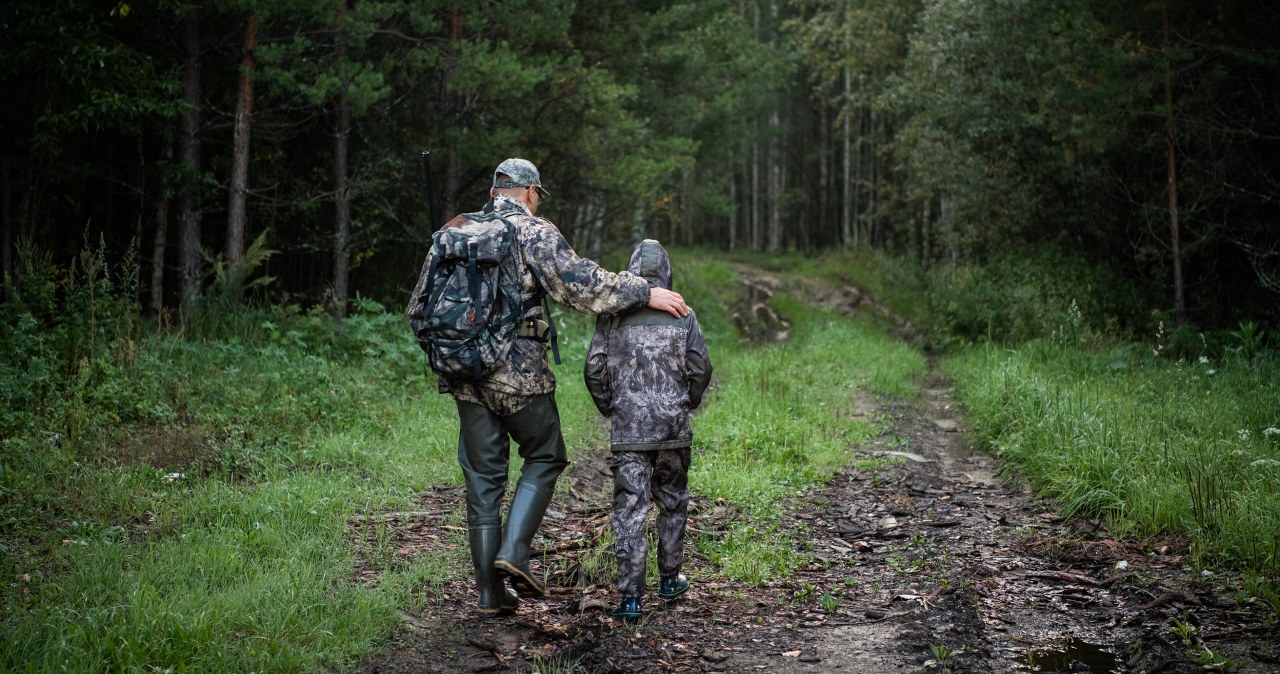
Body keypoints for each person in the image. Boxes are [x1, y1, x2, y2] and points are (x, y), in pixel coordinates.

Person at [407, 158, 691, 618]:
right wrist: (644, 291)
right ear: (531, 192)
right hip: (519, 375)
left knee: (483, 482)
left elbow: (417, 310)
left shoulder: (453, 232)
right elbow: (582, 286)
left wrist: (454, 353)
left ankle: (489, 595)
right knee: (545, 454)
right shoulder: (533, 232)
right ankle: (514, 553)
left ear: (495, 189)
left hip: (463, 377)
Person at [584, 239, 712, 620]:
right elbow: (701, 367)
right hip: (672, 429)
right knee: (672, 500)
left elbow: (594, 369)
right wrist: (686, 401)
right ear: (667, 273)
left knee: (631, 510)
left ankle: (630, 599)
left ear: (632, 272)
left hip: (629, 432)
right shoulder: (682, 313)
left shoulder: (611, 316)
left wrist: (611, 405)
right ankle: (670, 579)